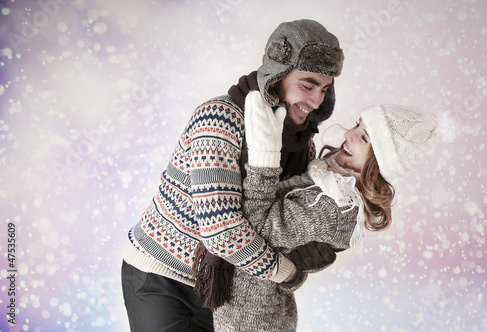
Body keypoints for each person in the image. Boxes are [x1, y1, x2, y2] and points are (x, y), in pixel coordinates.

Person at [121, 19, 345, 332]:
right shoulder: (221, 118)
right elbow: (220, 229)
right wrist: (289, 272)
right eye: (307, 85)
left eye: (324, 88)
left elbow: (281, 217)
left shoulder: (300, 140)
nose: (316, 100)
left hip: (226, 287)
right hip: (164, 275)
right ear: (275, 75)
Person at [210, 94, 440, 331]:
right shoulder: (327, 179)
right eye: (356, 125)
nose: (348, 134)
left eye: (363, 137)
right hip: (237, 304)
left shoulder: (337, 206)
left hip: (252, 320)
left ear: (380, 162)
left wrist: (264, 157)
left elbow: (256, 228)